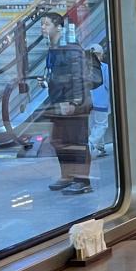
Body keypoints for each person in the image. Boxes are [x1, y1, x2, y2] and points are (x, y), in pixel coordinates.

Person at [39, 12, 93, 195]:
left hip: (72, 104)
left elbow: (78, 77)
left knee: (77, 142)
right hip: (58, 101)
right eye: (42, 24)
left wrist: (74, 101)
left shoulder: (71, 48)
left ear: (59, 27)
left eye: (47, 24)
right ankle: (67, 175)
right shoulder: (53, 49)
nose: (43, 27)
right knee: (60, 142)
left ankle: (83, 180)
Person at [87, 43, 112, 157]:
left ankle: (99, 147)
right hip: (101, 101)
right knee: (101, 125)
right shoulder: (104, 67)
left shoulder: (85, 68)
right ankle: (91, 144)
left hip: (89, 102)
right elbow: (108, 84)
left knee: (94, 126)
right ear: (101, 55)